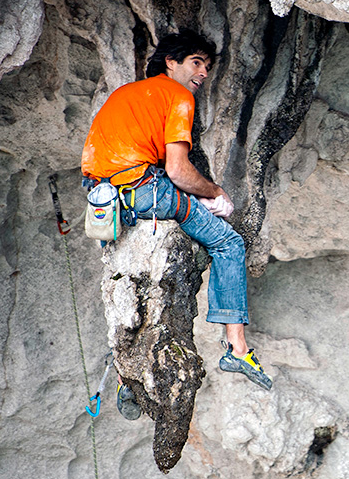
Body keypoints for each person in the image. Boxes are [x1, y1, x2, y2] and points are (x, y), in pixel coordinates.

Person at [81, 29, 272, 418]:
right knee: (229, 244)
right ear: (171, 61)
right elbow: (179, 170)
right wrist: (216, 193)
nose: (202, 73)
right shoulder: (178, 96)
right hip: (143, 188)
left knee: (132, 281)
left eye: (207, 66)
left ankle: (126, 373)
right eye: (196, 62)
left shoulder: (124, 94)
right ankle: (238, 350)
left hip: (103, 202)